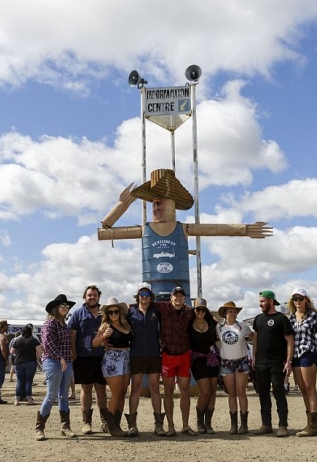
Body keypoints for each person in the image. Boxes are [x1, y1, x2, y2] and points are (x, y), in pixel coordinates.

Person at [98, 168, 272, 300]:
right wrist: (121, 205)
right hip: (150, 295)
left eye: (160, 203)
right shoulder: (145, 230)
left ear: (173, 205)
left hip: (182, 292)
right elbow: (103, 232)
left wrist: (246, 229)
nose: (156, 208)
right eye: (153, 204)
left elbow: (219, 228)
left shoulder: (183, 228)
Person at [155, 286, 197, 436]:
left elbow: (203, 318)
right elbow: (144, 304)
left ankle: (185, 425)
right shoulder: (162, 307)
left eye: (181, 296)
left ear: (184, 298)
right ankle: (170, 426)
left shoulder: (189, 311)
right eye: (175, 296)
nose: (178, 298)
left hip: (184, 355)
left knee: (185, 390)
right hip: (168, 355)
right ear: (171, 298)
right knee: (168, 391)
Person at [252, 289, 294, 437]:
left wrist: (288, 361)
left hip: (277, 363)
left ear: (271, 301)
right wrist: (254, 356)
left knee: (278, 392)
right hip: (260, 363)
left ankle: (283, 425)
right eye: (259, 302)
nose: (260, 304)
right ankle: (266, 424)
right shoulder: (258, 319)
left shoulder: (282, 318)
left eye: (262, 302)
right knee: (262, 393)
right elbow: (255, 338)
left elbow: (290, 341)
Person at [68, 284, 109, 434]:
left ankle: (105, 422)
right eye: (89, 295)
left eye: (95, 295)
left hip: (102, 356)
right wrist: (74, 354)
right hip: (83, 356)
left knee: (101, 389)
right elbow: (72, 335)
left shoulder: (104, 313)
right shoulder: (78, 314)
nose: (92, 297)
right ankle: (86, 423)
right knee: (86, 389)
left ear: (99, 297)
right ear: (84, 297)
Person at [127, 282, 166, 436]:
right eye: (141, 294)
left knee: (155, 388)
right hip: (136, 354)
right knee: (135, 388)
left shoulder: (157, 312)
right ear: (138, 296)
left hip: (154, 354)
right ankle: (132, 425)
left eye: (147, 294)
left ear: (151, 296)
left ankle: (158, 425)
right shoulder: (130, 312)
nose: (144, 297)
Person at [37, 294, 77, 441]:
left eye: (67, 306)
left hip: (66, 361)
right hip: (53, 361)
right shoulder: (50, 323)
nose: (66, 308)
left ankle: (65, 427)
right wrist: (60, 358)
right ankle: (39, 428)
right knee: (51, 395)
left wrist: (69, 357)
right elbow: (47, 343)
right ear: (55, 308)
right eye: (63, 306)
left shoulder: (63, 324)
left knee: (63, 396)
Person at [92, 296, 133, 437]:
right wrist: (103, 337)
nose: (114, 314)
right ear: (107, 314)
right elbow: (94, 343)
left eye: (116, 311)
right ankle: (110, 425)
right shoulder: (105, 326)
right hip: (112, 360)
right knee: (116, 393)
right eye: (111, 312)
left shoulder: (127, 324)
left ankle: (116, 425)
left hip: (126, 359)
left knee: (122, 392)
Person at [287, 288, 317, 437]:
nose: (298, 301)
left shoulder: (314, 316)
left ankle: (314, 424)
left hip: (309, 352)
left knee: (309, 388)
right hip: (295, 355)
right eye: (295, 299)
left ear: (306, 299)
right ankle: (309, 422)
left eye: (300, 298)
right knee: (302, 388)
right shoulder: (291, 318)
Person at [216, 301, 253, 435]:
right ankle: (233, 424)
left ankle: (244, 424)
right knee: (231, 394)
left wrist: (254, 355)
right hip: (226, 363)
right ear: (225, 313)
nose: (233, 313)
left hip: (241, 362)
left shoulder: (243, 327)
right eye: (230, 311)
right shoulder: (219, 327)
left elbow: (254, 337)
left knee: (241, 392)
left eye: (234, 311)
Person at [188, 298, 219, 435]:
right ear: (194, 310)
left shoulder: (212, 322)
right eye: (198, 309)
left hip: (212, 359)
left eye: (203, 309)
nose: (201, 312)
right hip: (198, 360)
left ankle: (208, 423)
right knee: (205, 391)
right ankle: (200, 422)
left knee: (213, 391)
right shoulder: (188, 324)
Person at [11, 325, 42, 405]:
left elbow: (12, 351)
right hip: (30, 362)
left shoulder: (17, 340)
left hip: (19, 362)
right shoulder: (34, 340)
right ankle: (29, 399)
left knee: (20, 381)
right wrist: (37, 358)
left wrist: (18, 353)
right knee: (28, 381)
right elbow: (39, 351)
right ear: (31, 332)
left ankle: (16, 400)